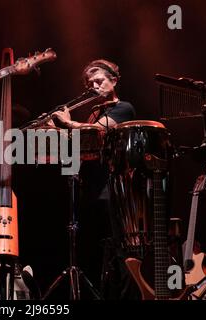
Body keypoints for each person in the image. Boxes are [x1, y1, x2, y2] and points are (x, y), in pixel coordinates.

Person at [50, 59, 137, 299]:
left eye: (99, 81)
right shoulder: (91, 113)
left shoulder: (123, 108)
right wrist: (54, 130)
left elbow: (97, 131)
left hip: (114, 190)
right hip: (92, 189)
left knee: (120, 250)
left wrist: (67, 123)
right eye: (90, 84)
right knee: (100, 251)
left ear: (114, 81)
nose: (94, 86)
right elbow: (81, 146)